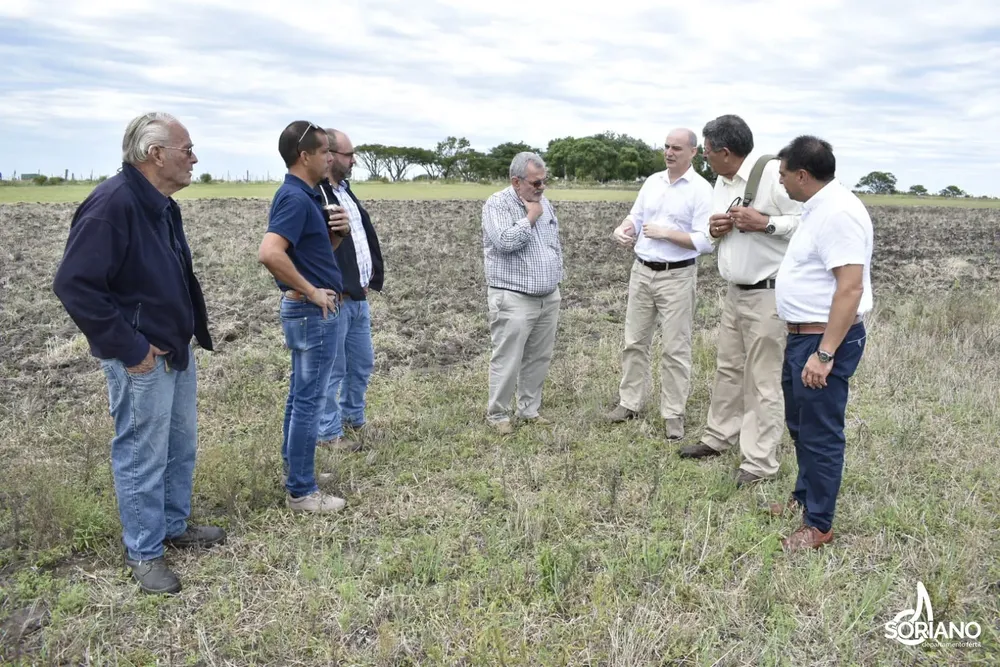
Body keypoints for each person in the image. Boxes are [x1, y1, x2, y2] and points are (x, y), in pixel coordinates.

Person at [52, 112, 224, 595]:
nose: (194, 158)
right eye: (187, 149)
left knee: (178, 446)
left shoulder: (162, 204)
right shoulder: (113, 204)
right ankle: (145, 551)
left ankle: (173, 526)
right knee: (141, 454)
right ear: (156, 155)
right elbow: (74, 285)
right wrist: (129, 347)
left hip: (175, 348)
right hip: (142, 357)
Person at [678, 115, 802, 486]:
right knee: (728, 368)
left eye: (708, 153)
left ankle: (759, 463)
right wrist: (714, 231)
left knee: (763, 380)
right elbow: (714, 232)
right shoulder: (722, 180)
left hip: (769, 294)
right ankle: (718, 437)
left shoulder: (771, 175)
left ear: (726, 152)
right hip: (735, 292)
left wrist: (764, 223)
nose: (706, 160)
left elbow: (805, 220)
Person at [768, 135, 873, 552]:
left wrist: (825, 353)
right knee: (800, 424)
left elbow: (850, 288)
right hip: (802, 337)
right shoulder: (817, 209)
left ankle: (819, 524)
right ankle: (804, 497)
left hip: (822, 340)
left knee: (821, 433)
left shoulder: (840, 214)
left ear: (802, 175)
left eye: (782, 175)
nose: (780, 183)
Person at [258, 120, 346, 514]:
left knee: (301, 397)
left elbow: (308, 254)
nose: (331, 157)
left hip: (309, 310)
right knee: (308, 400)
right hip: (311, 312)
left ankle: (297, 470)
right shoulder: (294, 198)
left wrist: (337, 237)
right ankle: (301, 491)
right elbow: (270, 253)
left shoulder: (306, 195)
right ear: (304, 155)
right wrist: (312, 291)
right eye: (325, 150)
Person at [609, 128, 714, 440]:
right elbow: (636, 217)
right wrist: (624, 228)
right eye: (667, 147)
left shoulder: (701, 190)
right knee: (634, 342)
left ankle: (673, 415)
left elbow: (705, 241)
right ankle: (629, 403)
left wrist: (666, 233)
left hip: (677, 276)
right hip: (641, 271)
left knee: (675, 348)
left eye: (677, 148)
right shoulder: (652, 182)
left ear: (693, 152)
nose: (669, 152)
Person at [481, 151, 563, 434]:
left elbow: (554, 244)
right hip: (513, 297)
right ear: (516, 182)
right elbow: (504, 242)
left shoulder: (544, 203)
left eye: (544, 182)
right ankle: (498, 415)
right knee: (508, 358)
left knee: (539, 357)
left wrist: (556, 279)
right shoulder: (498, 204)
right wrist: (529, 217)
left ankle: (529, 410)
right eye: (535, 183)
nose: (541, 188)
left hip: (547, 297)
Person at [316, 129, 385, 451]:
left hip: (357, 297)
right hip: (334, 300)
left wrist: (367, 278)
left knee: (361, 363)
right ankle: (329, 433)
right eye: (348, 154)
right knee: (333, 370)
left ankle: (353, 418)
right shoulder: (315, 195)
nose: (353, 159)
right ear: (329, 155)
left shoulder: (344, 191)